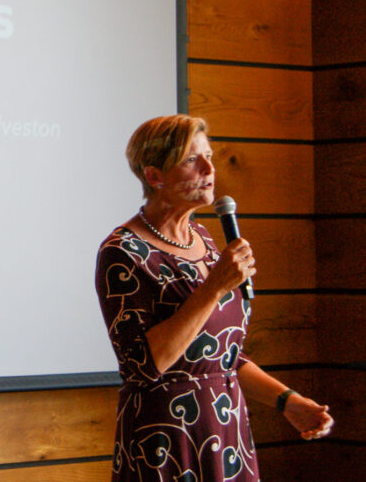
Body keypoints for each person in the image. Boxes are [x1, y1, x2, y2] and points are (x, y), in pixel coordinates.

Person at [95, 114, 333, 481]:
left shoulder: (204, 239)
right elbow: (143, 365)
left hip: (225, 429)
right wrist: (214, 288)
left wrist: (287, 401)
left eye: (208, 155)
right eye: (192, 160)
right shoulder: (123, 251)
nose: (209, 168)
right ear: (154, 175)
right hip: (166, 440)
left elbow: (223, 355)